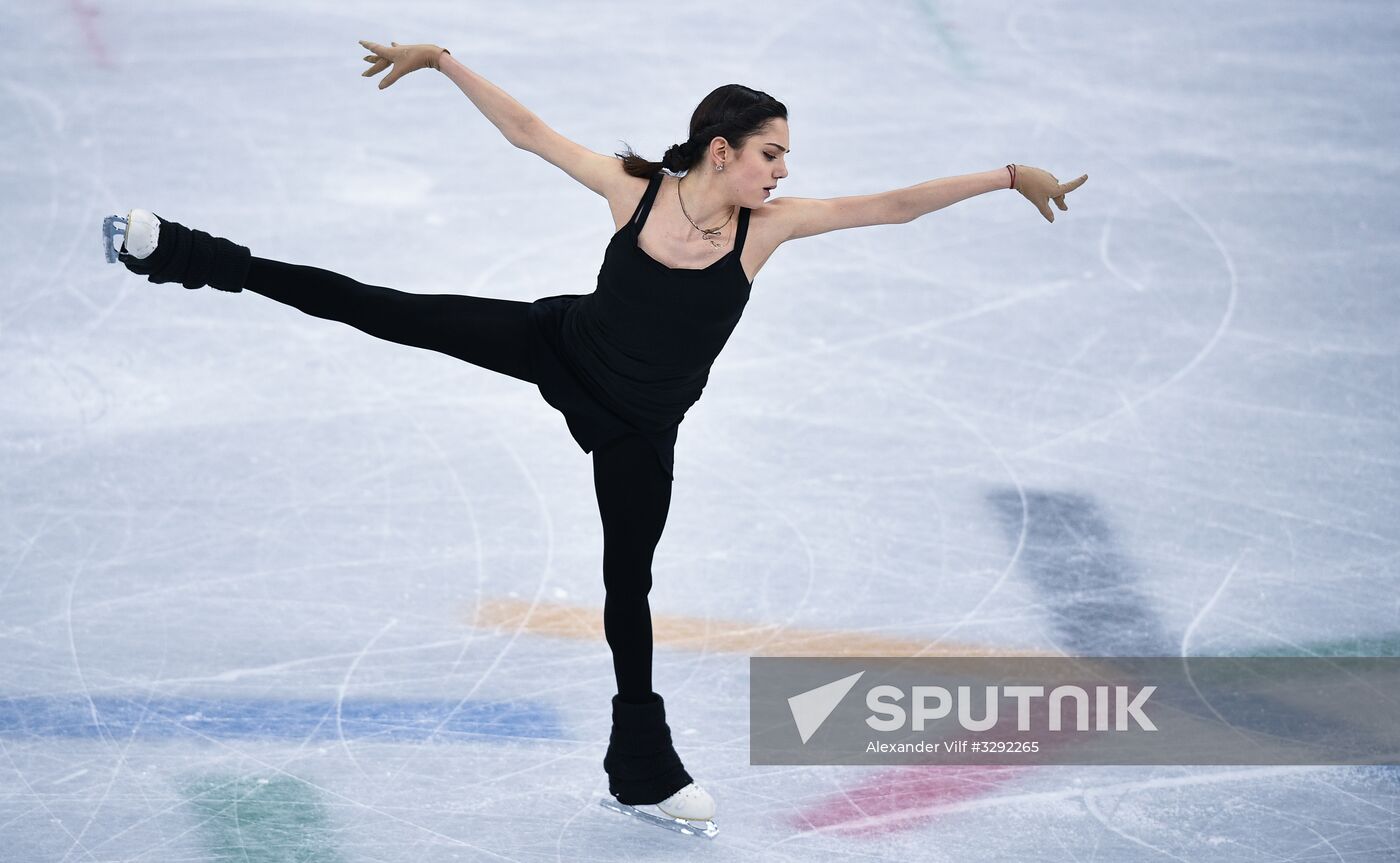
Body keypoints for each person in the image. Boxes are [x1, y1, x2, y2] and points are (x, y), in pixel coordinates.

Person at [104, 39, 1088, 832]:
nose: (785, 169)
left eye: (784, 155)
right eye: (770, 152)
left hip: (637, 427)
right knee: (381, 305)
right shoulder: (636, 191)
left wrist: (1006, 174)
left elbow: (892, 207)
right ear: (720, 150)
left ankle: (640, 765)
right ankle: (182, 253)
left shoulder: (768, 230)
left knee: (629, 585)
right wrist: (445, 63)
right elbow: (531, 133)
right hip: (556, 345)